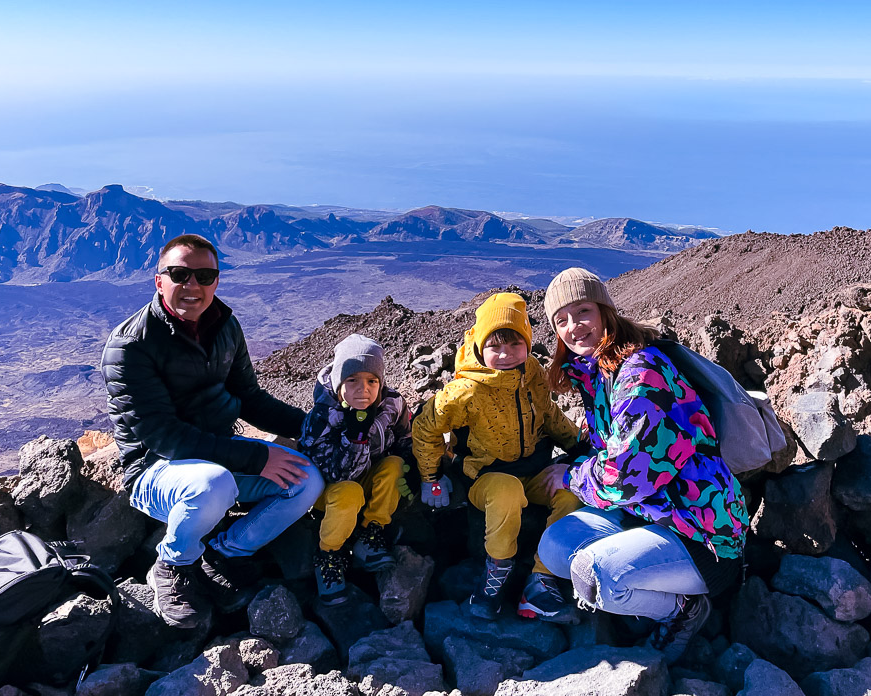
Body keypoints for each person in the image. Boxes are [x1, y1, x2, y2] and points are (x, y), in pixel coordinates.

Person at [102, 233, 324, 628]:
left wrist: (315, 426)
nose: (193, 286)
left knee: (306, 479)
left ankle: (223, 553)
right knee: (212, 484)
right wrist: (257, 457)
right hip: (156, 468)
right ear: (159, 281)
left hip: (218, 454)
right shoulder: (131, 346)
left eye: (205, 276)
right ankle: (173, 564)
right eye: (180, 274)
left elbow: (251, 399)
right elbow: (163, 437)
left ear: (217, 281)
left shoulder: (225, 325)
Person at [536, 267, 749, 662]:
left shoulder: (641, 374)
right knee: (553, 546)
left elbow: (626, 477)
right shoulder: (598, 373)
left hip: (701, 533)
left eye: (582, 311)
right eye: (560, 320)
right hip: (649, 515)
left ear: (604, 311)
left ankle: (682, 610)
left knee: (591, 573)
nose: (573, 326)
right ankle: (639, 592)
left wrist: (569, 476)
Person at [411, 292, 585, 622]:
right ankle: (495, 580)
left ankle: (541, 580)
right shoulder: (466, 390)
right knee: (506, 492)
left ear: (528, 344)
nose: (505, 355)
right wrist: (431, 478)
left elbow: (549, 414)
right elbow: (425, 428)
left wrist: (579, 448)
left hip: (533, 469)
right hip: (484, 477)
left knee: (573, 489)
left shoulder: (532, 370)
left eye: (514, 344)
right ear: (479, 345)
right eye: (495, 346)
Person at [300, 334, 412, 604]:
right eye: (352, 380)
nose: (363, 389)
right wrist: (356, 437)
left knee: (396, 466)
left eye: (372, 381)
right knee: (349, 491)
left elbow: (406, 439)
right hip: (331, 490)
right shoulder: (323, 416)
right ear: (339, 384)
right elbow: (339, 475)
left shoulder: (392, 404)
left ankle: (371, 533)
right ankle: (328, 555)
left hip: (367, 479)